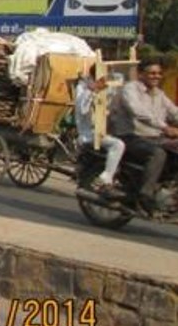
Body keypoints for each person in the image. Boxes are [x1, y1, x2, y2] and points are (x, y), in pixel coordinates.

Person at [107, 57, 178, 212]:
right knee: (158, 154)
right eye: (152, 73)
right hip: (129, 136)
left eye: (159, 73)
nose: (156, 76)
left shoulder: (159, 94)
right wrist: (165, 127)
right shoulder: (130, 89)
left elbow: (174, 112)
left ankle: (167, 187)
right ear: (141, 74)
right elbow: (139, 112)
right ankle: (145, 194)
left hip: (154, 137)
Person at [73, 70, 123, 191]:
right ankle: (106, 176)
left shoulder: (107, 91)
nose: (106, 82)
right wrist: (93, 90)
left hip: (105, 132)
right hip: (89, 134)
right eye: (103, 79)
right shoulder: (85, 93)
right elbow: (83, 110)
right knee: (118, 145)